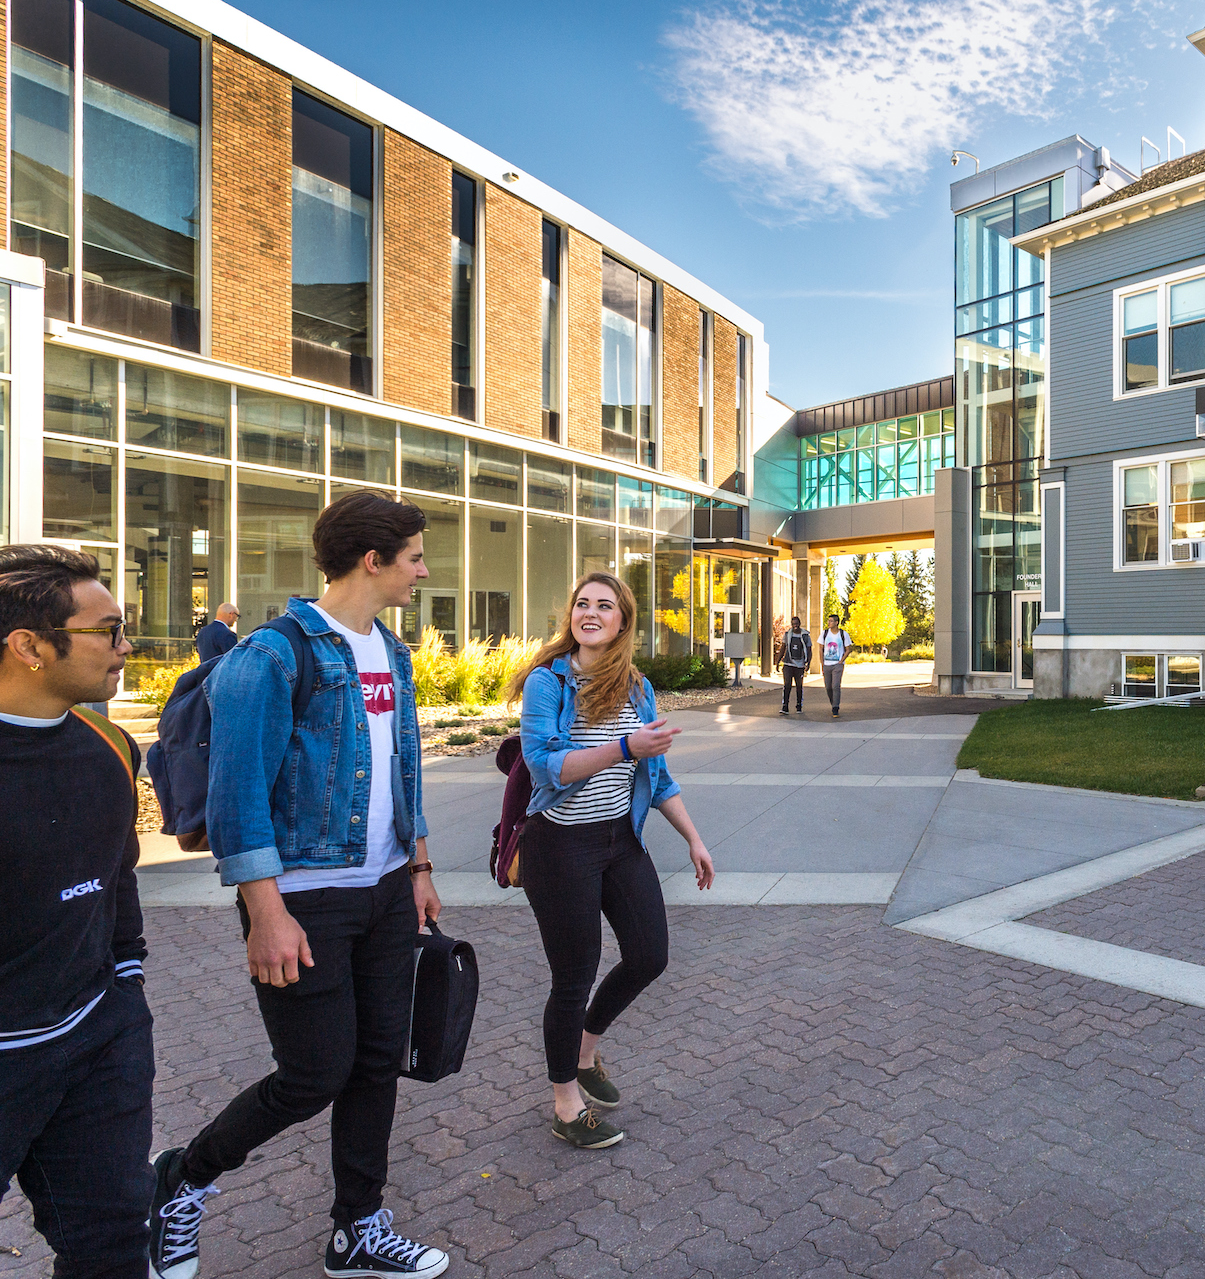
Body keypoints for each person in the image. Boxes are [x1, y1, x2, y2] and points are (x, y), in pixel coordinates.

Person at [148, 491, 450, 1279]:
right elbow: (237, 793)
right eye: (414, 556)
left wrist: (416, 865)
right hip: (304, 899)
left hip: (385, 888)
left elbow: (401, 765)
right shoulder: (273, 654)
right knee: (315, 1072)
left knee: (379, 1059)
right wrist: (265, 913)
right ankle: (181, 1179)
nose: (424, 569)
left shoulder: (394, 650)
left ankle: (357, 1229)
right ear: (372, 560)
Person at [510, 573, 715, 1150]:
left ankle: (584, 1049)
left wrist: (694, 840)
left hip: (620, 841)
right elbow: (547, 765)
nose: (590, 612)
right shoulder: (548, 683)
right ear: (570, 615)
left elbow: (659, 774)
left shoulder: (638, 688)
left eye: (604, 605)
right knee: (573, 975)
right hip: (559, 847)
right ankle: (565, 1103)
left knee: (650, 954)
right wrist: (625, 747)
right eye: (581, 604)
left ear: (623, 620)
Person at [0, 546, 153, 1279]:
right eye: (111, 630)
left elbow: (117, 874)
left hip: (98, 1039)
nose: (127, 648)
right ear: (30, 646)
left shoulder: (111, 745)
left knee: (115, 1242)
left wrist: (126, 980)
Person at [818, 613, 853, 719]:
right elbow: (820, 648)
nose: (829, 623)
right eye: (828, 621)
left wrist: (841, 660)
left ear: (836, 622)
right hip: (827, 664)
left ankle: (835, 708)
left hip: (837, 665)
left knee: (835, 686)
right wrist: (822, 662)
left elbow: (848, 649)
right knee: (828, 687)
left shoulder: (843, 634)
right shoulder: (824, 633)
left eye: (831, 621)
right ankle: (833, 702)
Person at [780, 616, 812, 718]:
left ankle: (799, 705)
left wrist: (808, 663)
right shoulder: (787, 634)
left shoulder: (805, 635)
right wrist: (778, 661)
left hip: (800, 664)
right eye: (793, 624)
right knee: (787, 685)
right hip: (788, 663)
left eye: (797, 623)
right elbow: (783, 647)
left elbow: (809, 650)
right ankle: (785, 706)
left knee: (799, 686)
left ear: (800, 623)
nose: (795, 625)